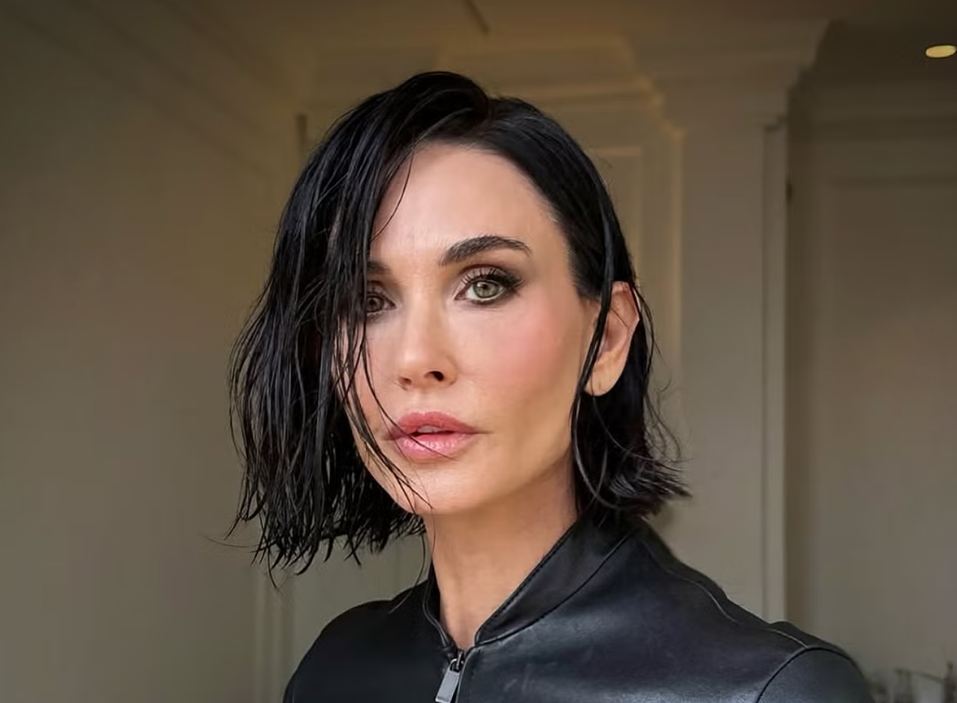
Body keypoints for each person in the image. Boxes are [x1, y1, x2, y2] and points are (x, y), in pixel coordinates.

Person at [226, 71, 873, 702]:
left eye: (486, 285)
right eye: (367, 300)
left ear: (607, 340)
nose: (416, 359)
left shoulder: (769, 690)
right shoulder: (336, 667)